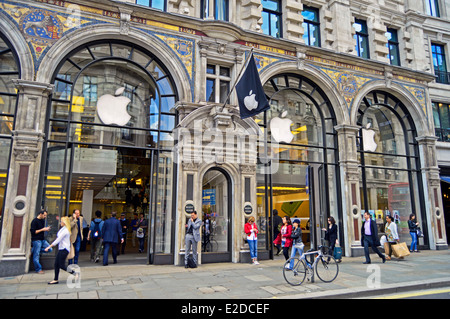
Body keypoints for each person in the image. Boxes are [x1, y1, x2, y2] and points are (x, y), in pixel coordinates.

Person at [45, 216, 77, 285]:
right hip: (62, 249)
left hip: (64, 249)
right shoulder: (63, 229)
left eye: (61, 221)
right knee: (56, 264)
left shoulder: (65, 231)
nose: (60, 222)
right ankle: (55, 279)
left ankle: (74, 273)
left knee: (61, 265)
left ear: (64, 222)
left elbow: (58, 240)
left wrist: (49, 246)